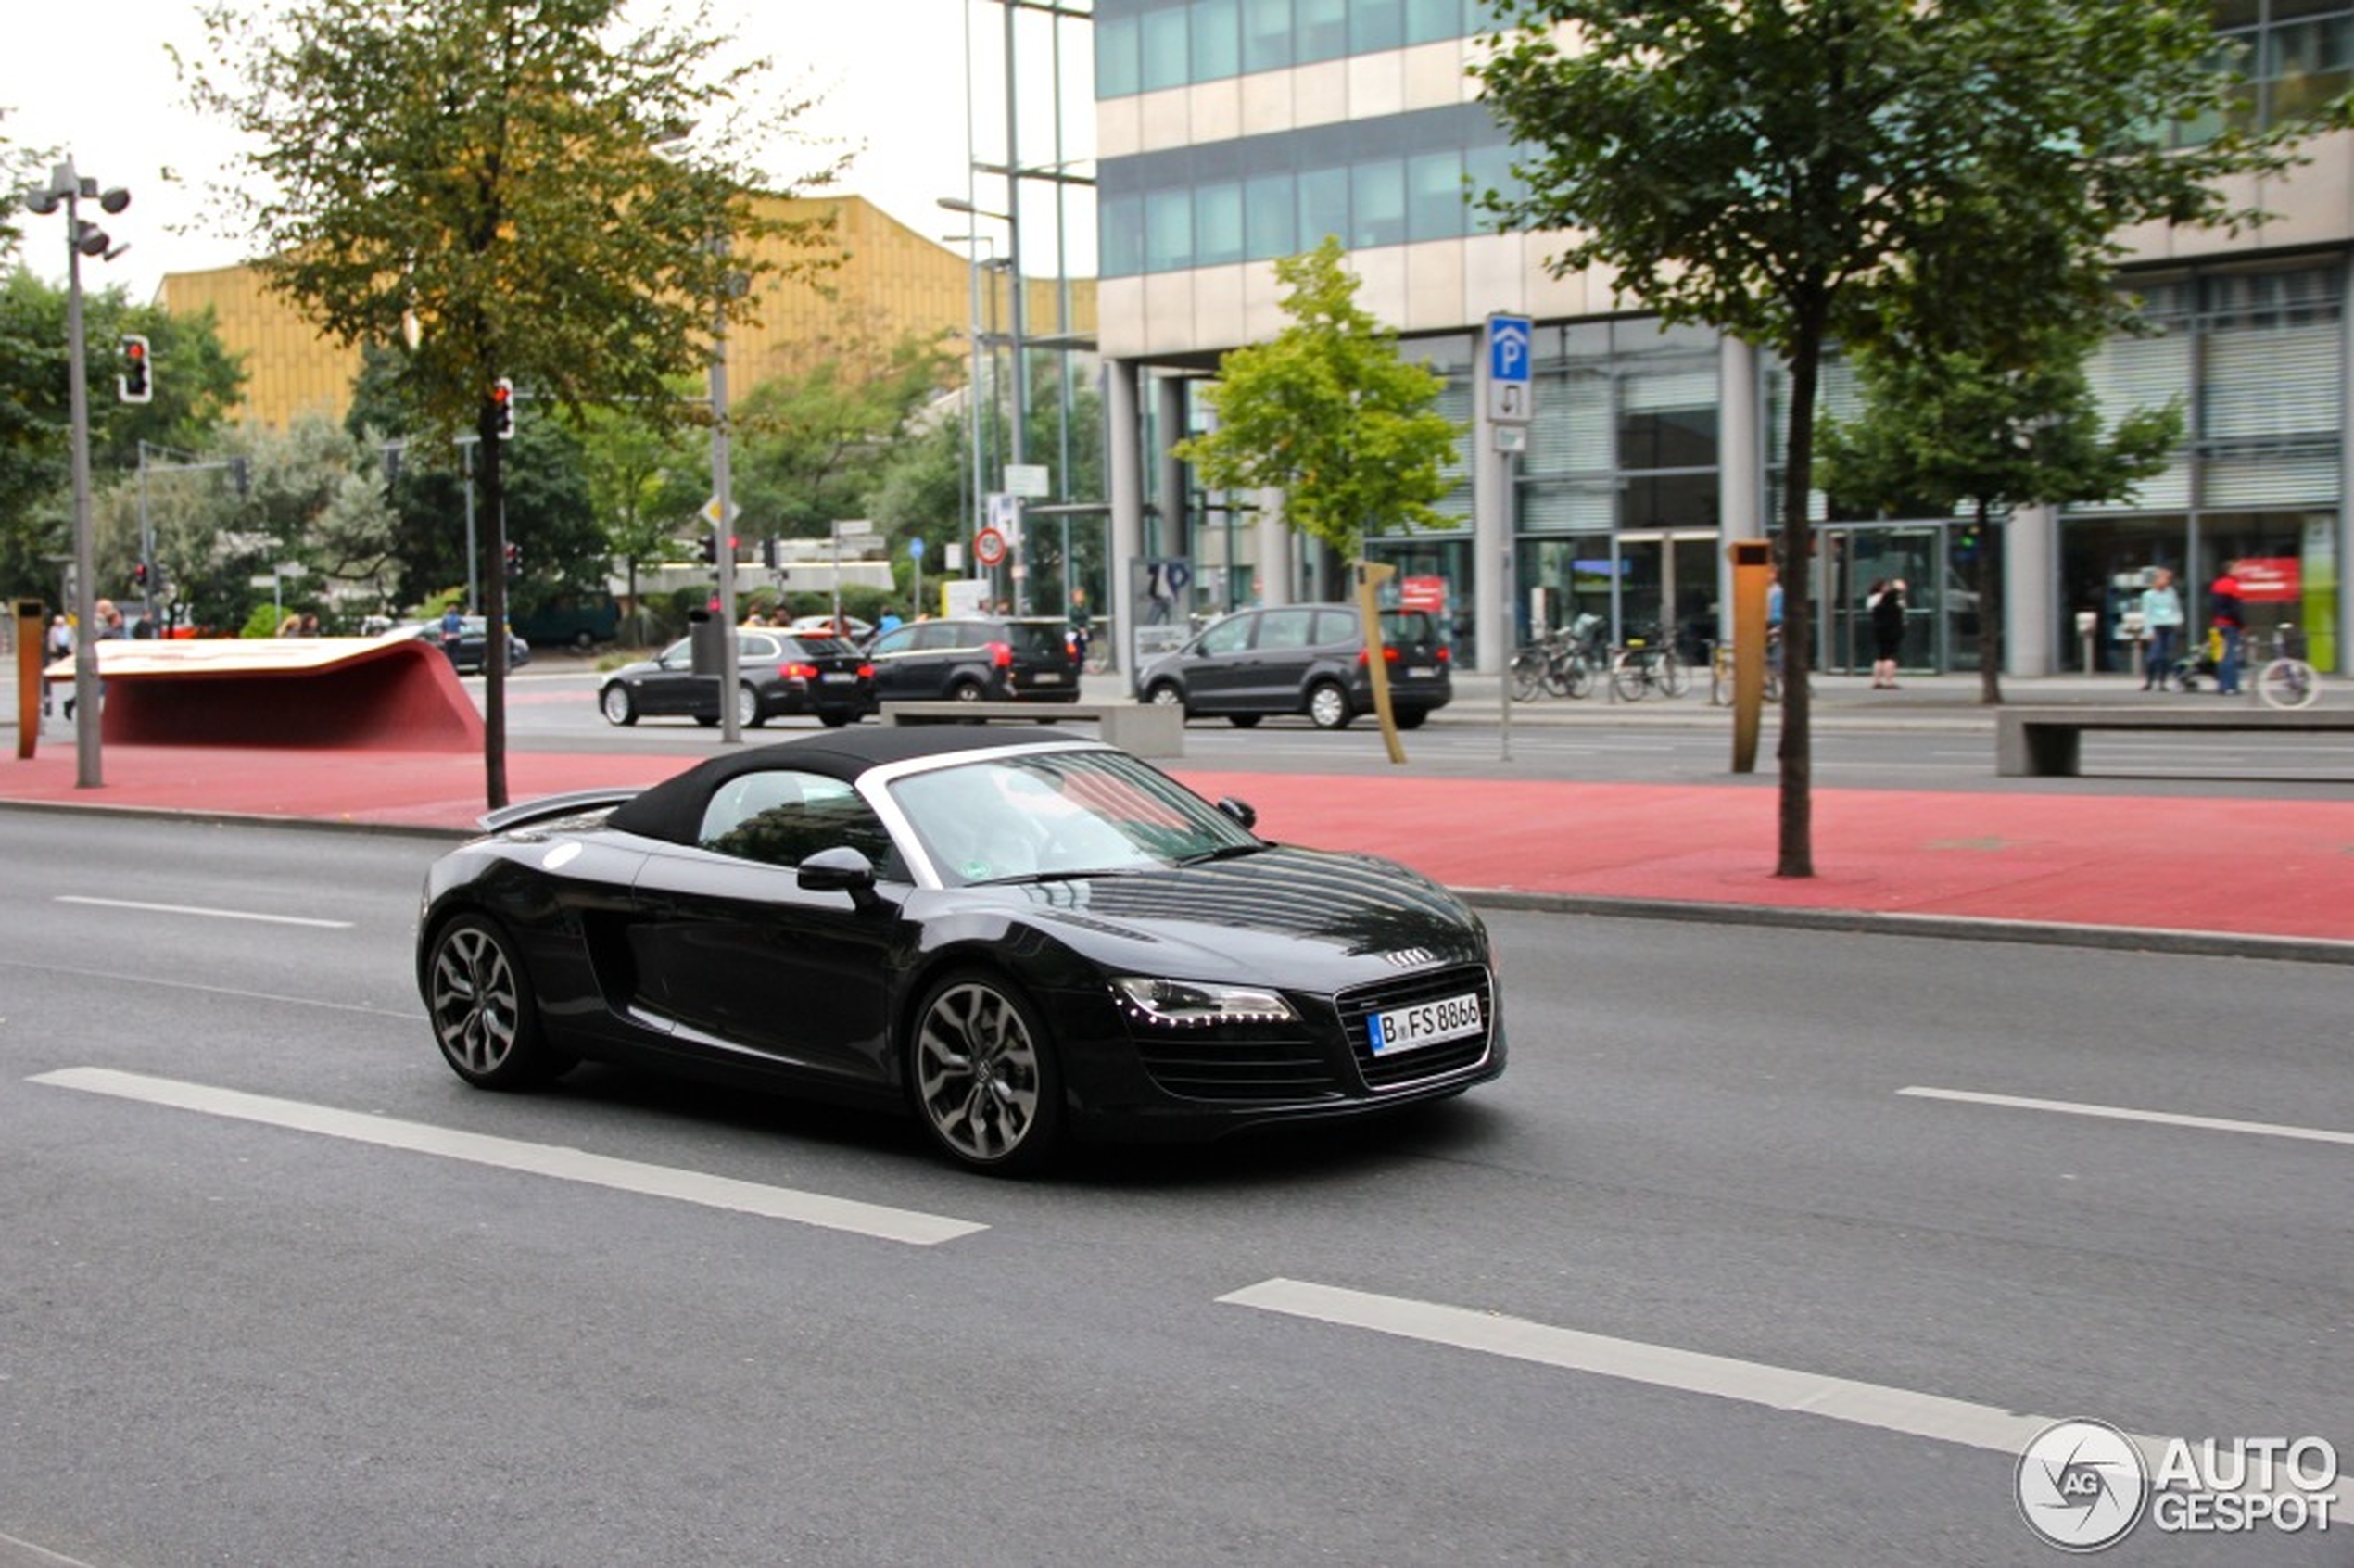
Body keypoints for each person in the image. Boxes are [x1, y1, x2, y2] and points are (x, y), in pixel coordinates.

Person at [2139, 567, 2184, 691]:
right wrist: (2148, 631)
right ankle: (2149, 680)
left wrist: (2178, 621)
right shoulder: (2148, 595)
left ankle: (2162, 681)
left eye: (2168, 579)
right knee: (2154, 656)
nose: (2167, 581)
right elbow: (2147, 613)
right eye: (2164, 578)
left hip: (2169, 624)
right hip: (2156, 625)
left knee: (2166, 656)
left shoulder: (2171, 592)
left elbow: (2176, 608)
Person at [2208, 561, 2246, 695]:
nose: (2239, 571)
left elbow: (2213, 606)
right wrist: (2241, 625)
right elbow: (2236, 609)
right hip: (2230, 625)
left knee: (2222, 655)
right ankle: (2231, 686)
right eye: (2237, 569)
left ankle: (2222, 685)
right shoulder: (2233, 586)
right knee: (2231, 656)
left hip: (2219, 624)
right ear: (2229, 570)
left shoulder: (2217, 584)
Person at [1869, 577, 1907, 689]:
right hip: (1892, 631)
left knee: (1880, 656)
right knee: (1890, 656)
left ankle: (1876, 680)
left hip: (1878, 630)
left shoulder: (1873, 602)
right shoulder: (1892, 603)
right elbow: (1893, 597)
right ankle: (1889, 681)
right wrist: (1898, 588)